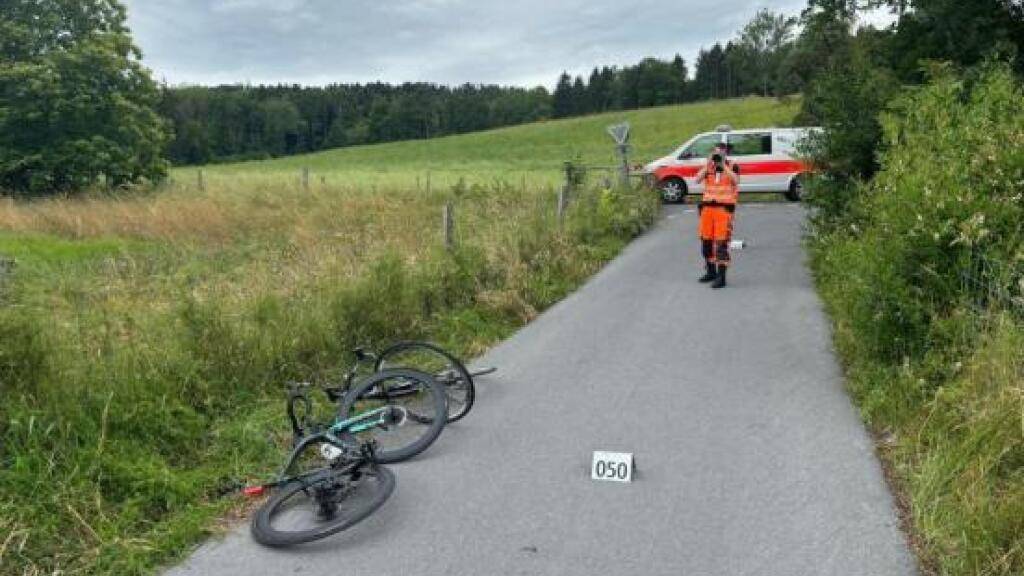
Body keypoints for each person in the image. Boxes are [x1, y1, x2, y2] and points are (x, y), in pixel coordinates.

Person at [694, 142, 740, 289]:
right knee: (706, 242)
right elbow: (697, 179)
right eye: (715, 152)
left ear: (726, 153)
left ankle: (721, 277)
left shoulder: (732, 166)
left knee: (721, 244)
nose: (717, 155)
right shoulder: (709, 167)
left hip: (723, 210)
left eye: (720, 153)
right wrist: (708, 163)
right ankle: (711, 271)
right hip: (707, 209)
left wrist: (723, 165)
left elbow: (736, 181)